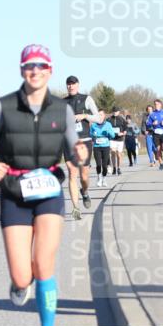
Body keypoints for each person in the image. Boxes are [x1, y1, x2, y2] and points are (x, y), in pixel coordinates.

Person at [0, 45, 87, 326]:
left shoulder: (61, 110)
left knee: (44, 265)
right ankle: (18, 284)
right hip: (14, 189)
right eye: (29, 66)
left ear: (50, 70)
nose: (35, 71)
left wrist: (80, 154)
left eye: (41, 66)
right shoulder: (4, 106)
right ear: (21, 70)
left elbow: (75, 150)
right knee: (22, 275)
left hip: (49, 189)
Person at [63, 76, 101, 220]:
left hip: (84, 141)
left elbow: (98, 118)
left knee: (84, 176)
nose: (70, 86)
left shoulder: (87, 99)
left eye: (73, 84)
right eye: (68, 84)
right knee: (72, 174)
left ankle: (84, 192)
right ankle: (76, 208)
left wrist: (84, 115)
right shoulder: (62, 102)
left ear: (78, 85)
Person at [90, 110, 116, 187]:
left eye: (101, 114)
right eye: (98, 115)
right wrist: (93, 136)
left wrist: (108, 132)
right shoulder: (93, 125)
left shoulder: (108, 124)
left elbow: (113, 135)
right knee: (98, 164)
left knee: (104, 165)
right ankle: (99, 178)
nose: (100, 116)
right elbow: (90, 134)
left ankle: (104, 178)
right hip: (96, 147)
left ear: (104, 116)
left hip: (105, 146)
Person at [146, 99, 163, 169]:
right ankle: (161, 163)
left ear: (161, 104)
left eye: (157, 104)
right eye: (155, 104)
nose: (156, 105)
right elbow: (147, 124)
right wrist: (152, 123)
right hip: (156, 134)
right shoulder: (152, 114)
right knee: (158, 149)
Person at [108, 108, 127, 175]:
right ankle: (114, 168)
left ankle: (119, 168)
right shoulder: (109, 119)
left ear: (118, 112)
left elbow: (125, 127)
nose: (115, 112)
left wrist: (124, 132)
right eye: (113, 111)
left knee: (119, 154)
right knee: (113, 153)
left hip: (120, 139)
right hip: (112, 139)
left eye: (116, 111)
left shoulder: (122, 119)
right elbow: (107, 128)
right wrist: (115, 134)